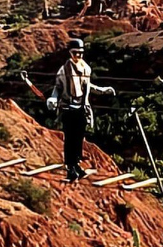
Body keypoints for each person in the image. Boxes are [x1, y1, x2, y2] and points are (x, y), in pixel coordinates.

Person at [47, 39, 116, 181]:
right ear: (70, 53)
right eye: (75, 53)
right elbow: (58, 88)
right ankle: (70, 167)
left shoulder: (85, 68)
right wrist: (53, 99)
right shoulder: (64, 70)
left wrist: (103, 90)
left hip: (81, 107)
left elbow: (87, 85)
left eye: (80, 53)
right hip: (68, 107)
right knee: (70, 138)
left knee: (79, 137)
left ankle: (77, 164)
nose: (77, 56)